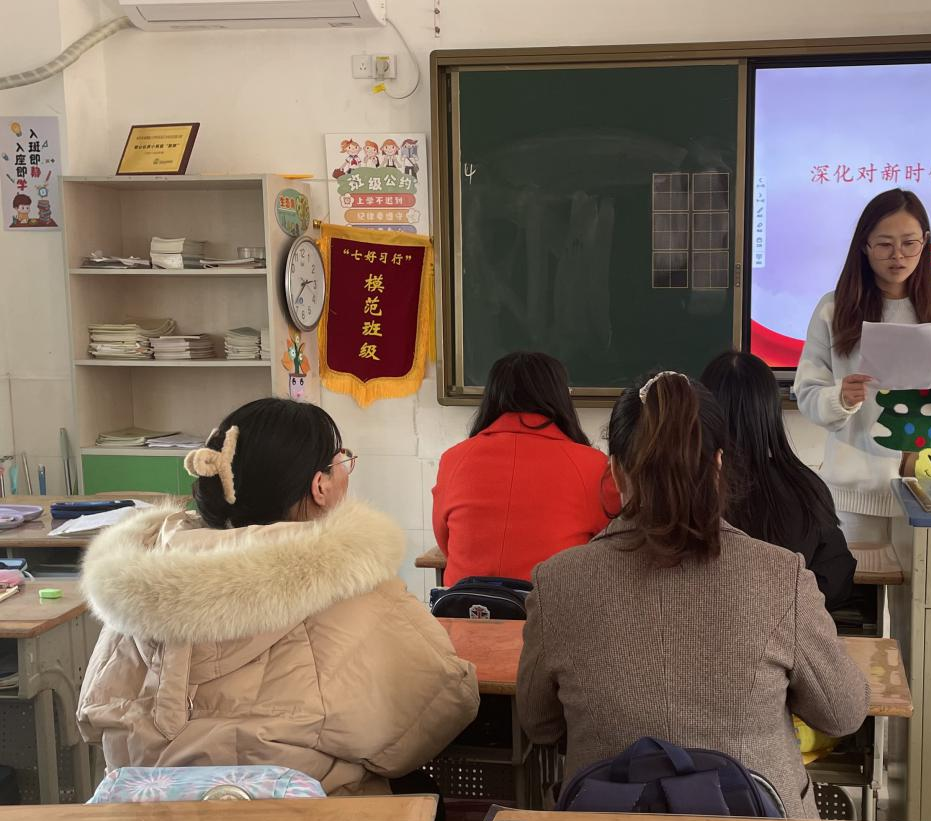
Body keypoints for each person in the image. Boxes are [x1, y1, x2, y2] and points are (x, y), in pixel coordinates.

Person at [77, 398, 480, 796]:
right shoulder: (351, 585)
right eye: (343, 460)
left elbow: (93, 718)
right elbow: (439, 707)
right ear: (319, 486)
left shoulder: (136, 581)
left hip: (146, 808)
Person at [517, 372, 870, 819]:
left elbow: (540, 724)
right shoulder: (782, 576)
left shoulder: (557, 582)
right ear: (718, 464)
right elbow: (843, 715)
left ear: (615, 471)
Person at [794, 188, 931, 543]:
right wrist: (839, 398)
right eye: (885, 244)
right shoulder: (834, 308)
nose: (898, 256)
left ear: (926, 242)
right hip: (856, 494)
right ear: (864, 246)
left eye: (909, 243)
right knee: (854, 597)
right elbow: (807, 392)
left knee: (920, 599)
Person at [432, 351, 616, 584]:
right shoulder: (593, 465)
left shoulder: (454, 459)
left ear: (491, 396)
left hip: (465, 610)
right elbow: (608, 544)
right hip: (552, 609)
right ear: (560, 397)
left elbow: (445, 540)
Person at [701, 350, 856, 611]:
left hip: (699, 642)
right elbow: (835, 579)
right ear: (771, 411)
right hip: (784, 644)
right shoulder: (805, 488)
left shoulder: (683, 488)